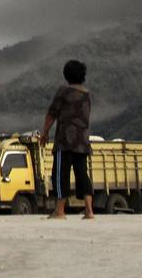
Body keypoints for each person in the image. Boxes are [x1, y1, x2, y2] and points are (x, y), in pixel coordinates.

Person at [41, 59, 93, 220]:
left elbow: (52, 113)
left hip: (65, 140)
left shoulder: (63, 92)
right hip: (83, 141)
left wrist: (44, 133)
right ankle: (89, 211)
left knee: (60, 174)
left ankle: (59, 210)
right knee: (82, 174)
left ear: (66, 75)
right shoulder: (87, 94)